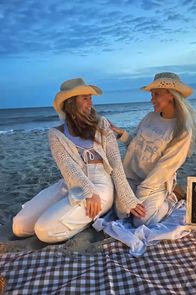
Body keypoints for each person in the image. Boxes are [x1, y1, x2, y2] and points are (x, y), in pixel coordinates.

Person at [12, 78, 145, 243]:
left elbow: (115, 163)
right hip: (71, 182)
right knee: (19, 227)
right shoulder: (56, 134)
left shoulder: (101, 124)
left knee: (43, 231)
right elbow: (67, 167)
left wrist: (127, 198)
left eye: (90, 98)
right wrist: (87, 190)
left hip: (101, 184)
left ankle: (88, 219)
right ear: (71, 103)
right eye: (85, 98)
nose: (90, 103)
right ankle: (80, 214)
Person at [110, 72, 196, 227]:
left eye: (156, 94)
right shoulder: (150, 117)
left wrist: (140, 195)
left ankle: (171, 199)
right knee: (121, 213)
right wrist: (121, 134)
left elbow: (165, 168)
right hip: (132, 176)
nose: (152, 99)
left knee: (142, 221)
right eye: (152, 94)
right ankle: (161, 197)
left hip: (154, 183)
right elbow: (138, 147)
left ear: (171, 95)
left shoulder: (182, 130)